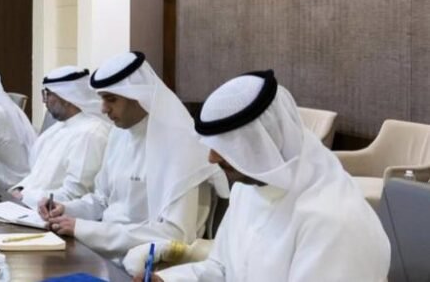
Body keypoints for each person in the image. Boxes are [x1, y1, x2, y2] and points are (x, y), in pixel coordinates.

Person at [129, 70, 390, 281]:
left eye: (223, 149)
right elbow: (221, 270)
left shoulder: (333, 220)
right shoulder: (248, 187)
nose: (211, 159)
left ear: (258, 144)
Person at [40, 51, 222, 260]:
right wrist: (66, 210)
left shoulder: (181, 145)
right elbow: (103, 200)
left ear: (138, 97)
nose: (103, 109)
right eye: (102, 99)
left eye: (111, 100)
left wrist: (84, 230)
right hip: (103, 253)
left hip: (146, 267)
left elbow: (175, 235)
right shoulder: (120, 133)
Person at [8, 66, 111, 208]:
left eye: (48, 94)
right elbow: (36, 176)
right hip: (26, 205)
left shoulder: (91, 133)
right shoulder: (58, 128)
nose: (45, 101)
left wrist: (25, 197)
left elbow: (75, 194)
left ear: (66, 97)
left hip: (53, 214)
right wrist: (18, 190)